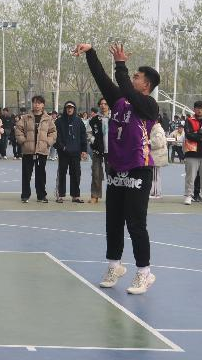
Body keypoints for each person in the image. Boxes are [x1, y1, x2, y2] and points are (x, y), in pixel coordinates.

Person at [75, 42, 160, 295]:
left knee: (135, 223)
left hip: (138, 169)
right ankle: (114, 266)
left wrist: (121, 64)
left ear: (146, 85)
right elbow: (101, 78)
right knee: (113, 222)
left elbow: (127, 88)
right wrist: (91, 53)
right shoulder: (119, 102)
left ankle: (144, 272)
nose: (132, 79)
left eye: (137, 77)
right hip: (116, 168)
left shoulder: (149, 105)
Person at [15, 96, 57, 203]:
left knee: (41, 174)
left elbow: (53, 132)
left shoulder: (48, 119)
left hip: (41, 151)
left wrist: (48, 142)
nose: (36, 105)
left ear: (43, 105)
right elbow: (18, 129)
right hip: (28, 151)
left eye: (39, 103)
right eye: (35, 102)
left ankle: (41, 195)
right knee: (26, 174)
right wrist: (23, 141)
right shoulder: (26, 117)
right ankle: (25, 195)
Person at [54, 101, 88, 203]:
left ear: (74, 109)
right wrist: (62, 147)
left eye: (71, 107)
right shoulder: (59, 121)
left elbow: (83, 136)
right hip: (63, 153)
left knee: (76, 174)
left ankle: (75, 196)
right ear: (65, 109)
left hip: (76, 153)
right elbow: (55, 136)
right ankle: (60, 195)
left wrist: (84, 150)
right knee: (62, 173)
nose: (69, 109)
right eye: (67, 107)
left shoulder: (78, 121)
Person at [88, 98, 109, 203]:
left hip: (111, 151)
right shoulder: (94, 120)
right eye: (101, 104)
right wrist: (93, 140)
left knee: (112, 174)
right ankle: (95, 195)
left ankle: (114, 196)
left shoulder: (114, 118)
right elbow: (88, 132)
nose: (103, 106)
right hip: (97, 150)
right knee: (96, 173)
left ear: (108, 105)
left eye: (105, 104)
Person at [149, 122, 168, 199]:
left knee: (155, 175)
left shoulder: (158, 129)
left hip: (157, 156)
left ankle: (156, 193)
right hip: (155, 155)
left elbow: (158, 143)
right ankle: (154, 192)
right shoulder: (155, 129)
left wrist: (148, 142)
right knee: (154, 175)